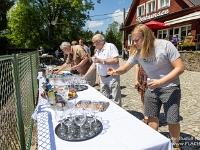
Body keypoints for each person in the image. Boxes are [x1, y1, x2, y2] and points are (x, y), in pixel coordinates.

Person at [107, 24, 184, 149]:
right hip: (152, 87)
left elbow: (180, 68)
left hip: (171, 87)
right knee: (151, 117)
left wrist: (160, 82)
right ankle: (154, 143)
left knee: (172, 119)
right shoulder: (137, 52)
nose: (134, 43)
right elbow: (125, 68)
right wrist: (115, 71)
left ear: (146, 37)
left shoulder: (165, 45)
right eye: (133, 40)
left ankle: (175, 144)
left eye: (137, 40)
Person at [82, 34, 121, 106]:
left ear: (99, 41)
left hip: (112, 77)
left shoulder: (110, 46)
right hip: (102, 78)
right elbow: (94, 65)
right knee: (103, 100)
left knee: (116, 100)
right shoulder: (98, 51)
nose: (93, 45)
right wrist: (84, 77)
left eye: (93, 42)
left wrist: (102, 61)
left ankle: (119, 115)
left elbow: (116, 60)